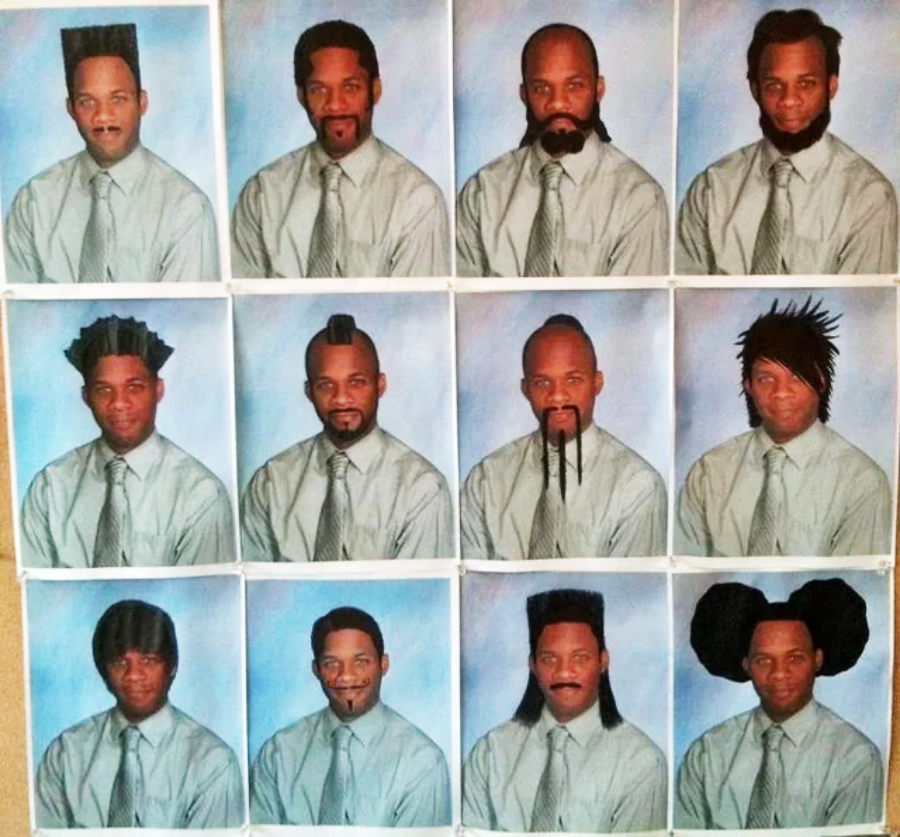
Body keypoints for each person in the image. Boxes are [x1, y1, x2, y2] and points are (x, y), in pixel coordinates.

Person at [676, 9, 898, 275]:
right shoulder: (711, 189)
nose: (789, 100)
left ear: (831, 87)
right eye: (774, 85)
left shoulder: (868, 197)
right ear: (755, 89)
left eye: (806, 84)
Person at [231, 19, 449, 278]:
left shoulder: (417, 201)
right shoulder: (262, 194)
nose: (335, 105)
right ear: (302, 97)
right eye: (319, 89)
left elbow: (415, 308)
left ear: (375, 91)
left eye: (350, 87)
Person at [5, 23, 219, 283]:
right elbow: (15, 314)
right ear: (71, 108)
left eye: (117, 99)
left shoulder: (186, 208)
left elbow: (184, 320)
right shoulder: (34, 203)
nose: (103, 115)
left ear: (142, 103)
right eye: (87, 102)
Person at [676, 297, 891, 556]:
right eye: (766, 378)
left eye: (797, 377)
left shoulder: (862, 482)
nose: (781, 393)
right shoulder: (709, 473)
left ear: (821, 381)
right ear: (749, 386)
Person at [20, 315, 235, 567]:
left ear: (158, 390)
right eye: (104, 390)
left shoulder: (200, 494)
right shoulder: (50, 488)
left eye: (134, 387)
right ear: (86, 396)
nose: (119, 403)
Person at [456, 23, 668, 277]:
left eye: (574, 85)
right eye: (541, 88)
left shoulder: (638, 198)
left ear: (598, 90)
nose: (557, 102)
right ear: (524, 95)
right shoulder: (482, 193)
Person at [241, 313, 452, 561]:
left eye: (356, 382)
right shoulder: (270, 483)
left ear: (380, 385)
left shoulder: (422, 487)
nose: (341, 398)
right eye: (326, 385)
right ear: (309, 392)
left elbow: (415, 593)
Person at [676, 579, 883, 828]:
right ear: (746, 665)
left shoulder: (854, 757)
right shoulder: (707, 754)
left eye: (795, 658)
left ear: (817, 660)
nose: (779, 674)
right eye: (763, 660)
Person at [461, 314, 666, 559]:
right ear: (525, 389)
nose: (557, 396)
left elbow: (628, 592)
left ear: (597, 383)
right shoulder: (486, 482)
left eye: (573, 380)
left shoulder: (637, 485)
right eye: (542, 383)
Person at [464, 588, 666, 832]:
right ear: (533, 665)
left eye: (580, 658)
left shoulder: (641, 761)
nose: (564, 673)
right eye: (550, 659)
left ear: (603, 661)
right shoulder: (490, 754)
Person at [34, 600, 243, 828]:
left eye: (148, 660)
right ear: (103, 671)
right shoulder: (66, 753)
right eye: (120, 662)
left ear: (171, 666)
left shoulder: (212, 762)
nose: (133, 675)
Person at [250, 605, 450, 826]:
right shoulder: (278, 754)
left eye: (361, 662)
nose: (346, 676)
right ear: (316, 669)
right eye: (331, 663)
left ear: (383, 665)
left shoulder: (421, 761)